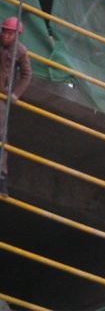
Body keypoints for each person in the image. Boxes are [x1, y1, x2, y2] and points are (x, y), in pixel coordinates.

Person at [0, 16, 32, 198]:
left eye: (10, 33)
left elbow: (27, 75)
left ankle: (1, 179)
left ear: (17, 35)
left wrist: (14, 94)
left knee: (1, 136)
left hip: (1, 97)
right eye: (5, 31)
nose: (6, 36)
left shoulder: (20, 51)